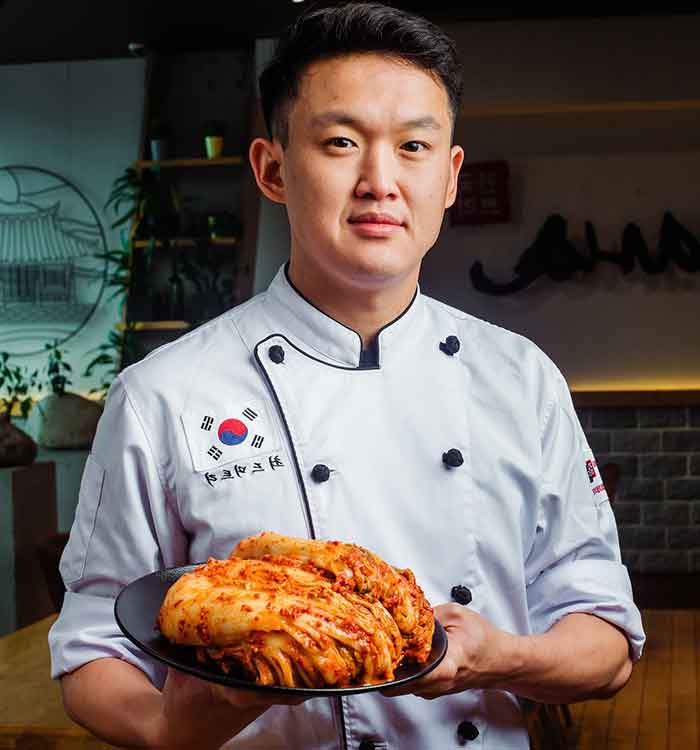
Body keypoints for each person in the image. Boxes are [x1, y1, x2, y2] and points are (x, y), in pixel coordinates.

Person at [49, 3, 645, 749]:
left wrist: (495, 658)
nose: (380, 181)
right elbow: (91, 648)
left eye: (414, 146)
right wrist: (170, 729)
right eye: (340, 142)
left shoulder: (523, 380)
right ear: (272, 169)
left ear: (450, 176)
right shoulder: (162, 394)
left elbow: (607, 642)